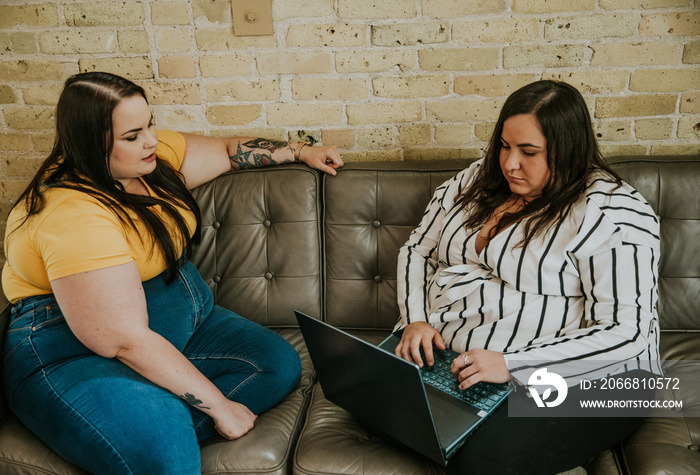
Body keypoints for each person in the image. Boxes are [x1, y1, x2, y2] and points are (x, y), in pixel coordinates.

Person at [2, 71, 343, 474]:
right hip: (73, 347)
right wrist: (218, 406)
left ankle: (147, 423)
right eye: (132, 136)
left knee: (277, 364)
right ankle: (154, 429)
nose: (150, 141)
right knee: (166, 446)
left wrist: (299, 150)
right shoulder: (73, 215)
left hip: (175, 322)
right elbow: (124, 340)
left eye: (149, 124)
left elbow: (230, 150)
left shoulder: (150, 159)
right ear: (91, 143)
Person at [393, 80, 660, 473]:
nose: (509, 164)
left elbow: (626, 333)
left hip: (592, 380)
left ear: (569, 152)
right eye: (504, 145)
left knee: (484, 458)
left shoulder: (612, 216)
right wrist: (415, 319)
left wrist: (514, 365)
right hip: (460, 363)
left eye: (528, 152)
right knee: (379, 407)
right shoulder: (476, 180)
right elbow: (418, 249)